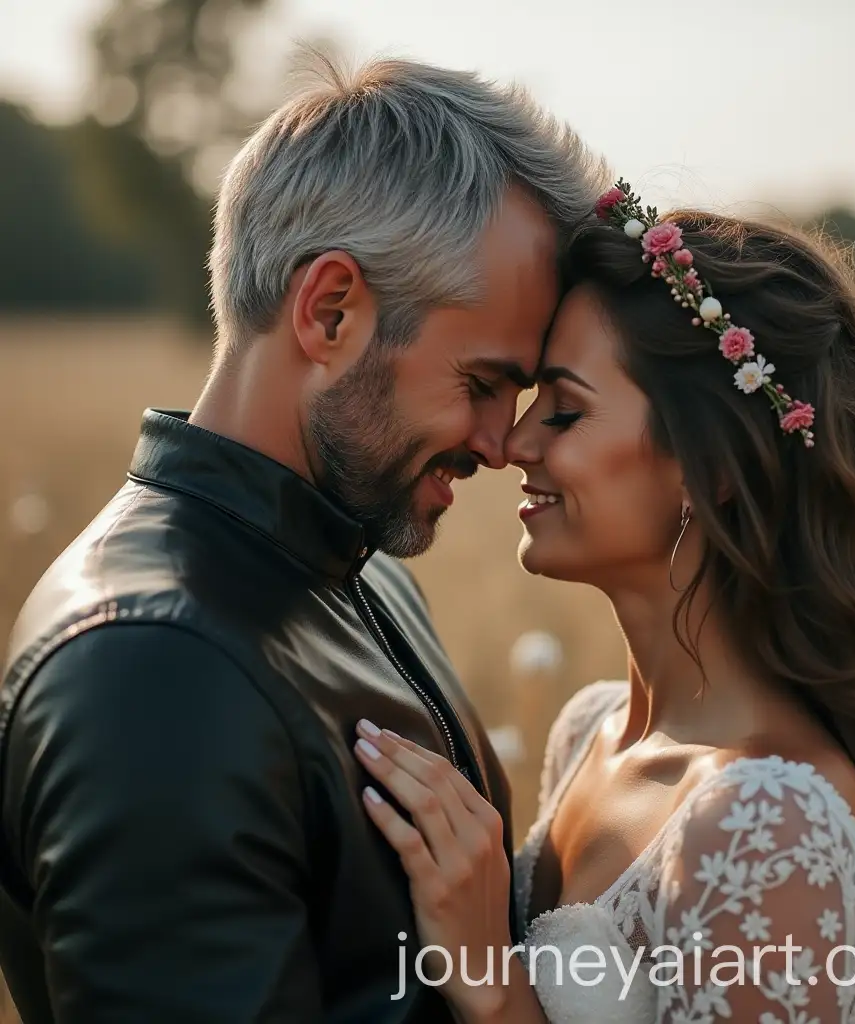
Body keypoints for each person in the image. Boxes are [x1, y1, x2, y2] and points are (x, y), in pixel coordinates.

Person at [0, 58, 606, 1022]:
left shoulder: (355, 565)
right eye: (484, 383)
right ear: (331, 310)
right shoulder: (152, 673)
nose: (501, 443)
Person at [354, 183, 855, 1022]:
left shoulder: (776, 824)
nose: (515, 444)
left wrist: (492, 983)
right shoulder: (590, 731)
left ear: (712, 467)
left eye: (567, 411)